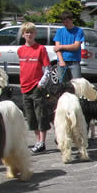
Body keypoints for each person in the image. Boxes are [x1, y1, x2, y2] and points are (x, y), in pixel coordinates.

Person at [18, 22, 52, 154]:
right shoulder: (20, 50)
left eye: (31, 32)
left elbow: (47, 69)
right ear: (23, 34)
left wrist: (41, 84)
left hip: (37, 87)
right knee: (30, 116)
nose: (29, 34)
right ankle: (37, 140)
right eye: (27, 32)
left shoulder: (41, 49)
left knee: (41, 115)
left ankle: (42, 141)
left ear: (35, 34)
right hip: (24, 87)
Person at [53, 11, 85, 84]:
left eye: (67, 21)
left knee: (77, 85)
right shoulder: (59, 31)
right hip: (62, 62)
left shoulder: (78, 31)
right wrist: (61, 61)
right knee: (63, 85)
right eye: (63, 22)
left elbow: (76, 46)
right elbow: (57, 49)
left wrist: (61, 46)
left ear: (71, 20)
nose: (65, 24)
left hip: (74, 62)